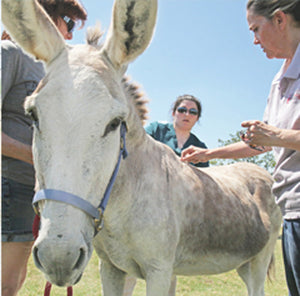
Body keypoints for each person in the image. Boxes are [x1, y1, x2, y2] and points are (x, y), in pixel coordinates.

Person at [182, 1, 300, 295]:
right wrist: (207, 154)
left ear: (280, 20)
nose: (254, 40)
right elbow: (260, 143)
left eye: (256, 29)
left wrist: (276, 136)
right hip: (291, 210)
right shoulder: (279, 80)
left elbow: (274, 137)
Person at [1, 1, 87, 295]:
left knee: (17, 277)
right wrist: (36, 157)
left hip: (34, 189)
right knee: (6, 283)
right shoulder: (9, 54)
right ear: (47, 18)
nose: (71, 35)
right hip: (8, 181)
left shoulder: (48, 72)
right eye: (69, 24)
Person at [146, 94, 209, 168]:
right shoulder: (155, 129)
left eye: (193, 112)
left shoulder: (200, 147)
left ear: (197, 118)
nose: (187, 114)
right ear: (173, 113)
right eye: (182, 110)